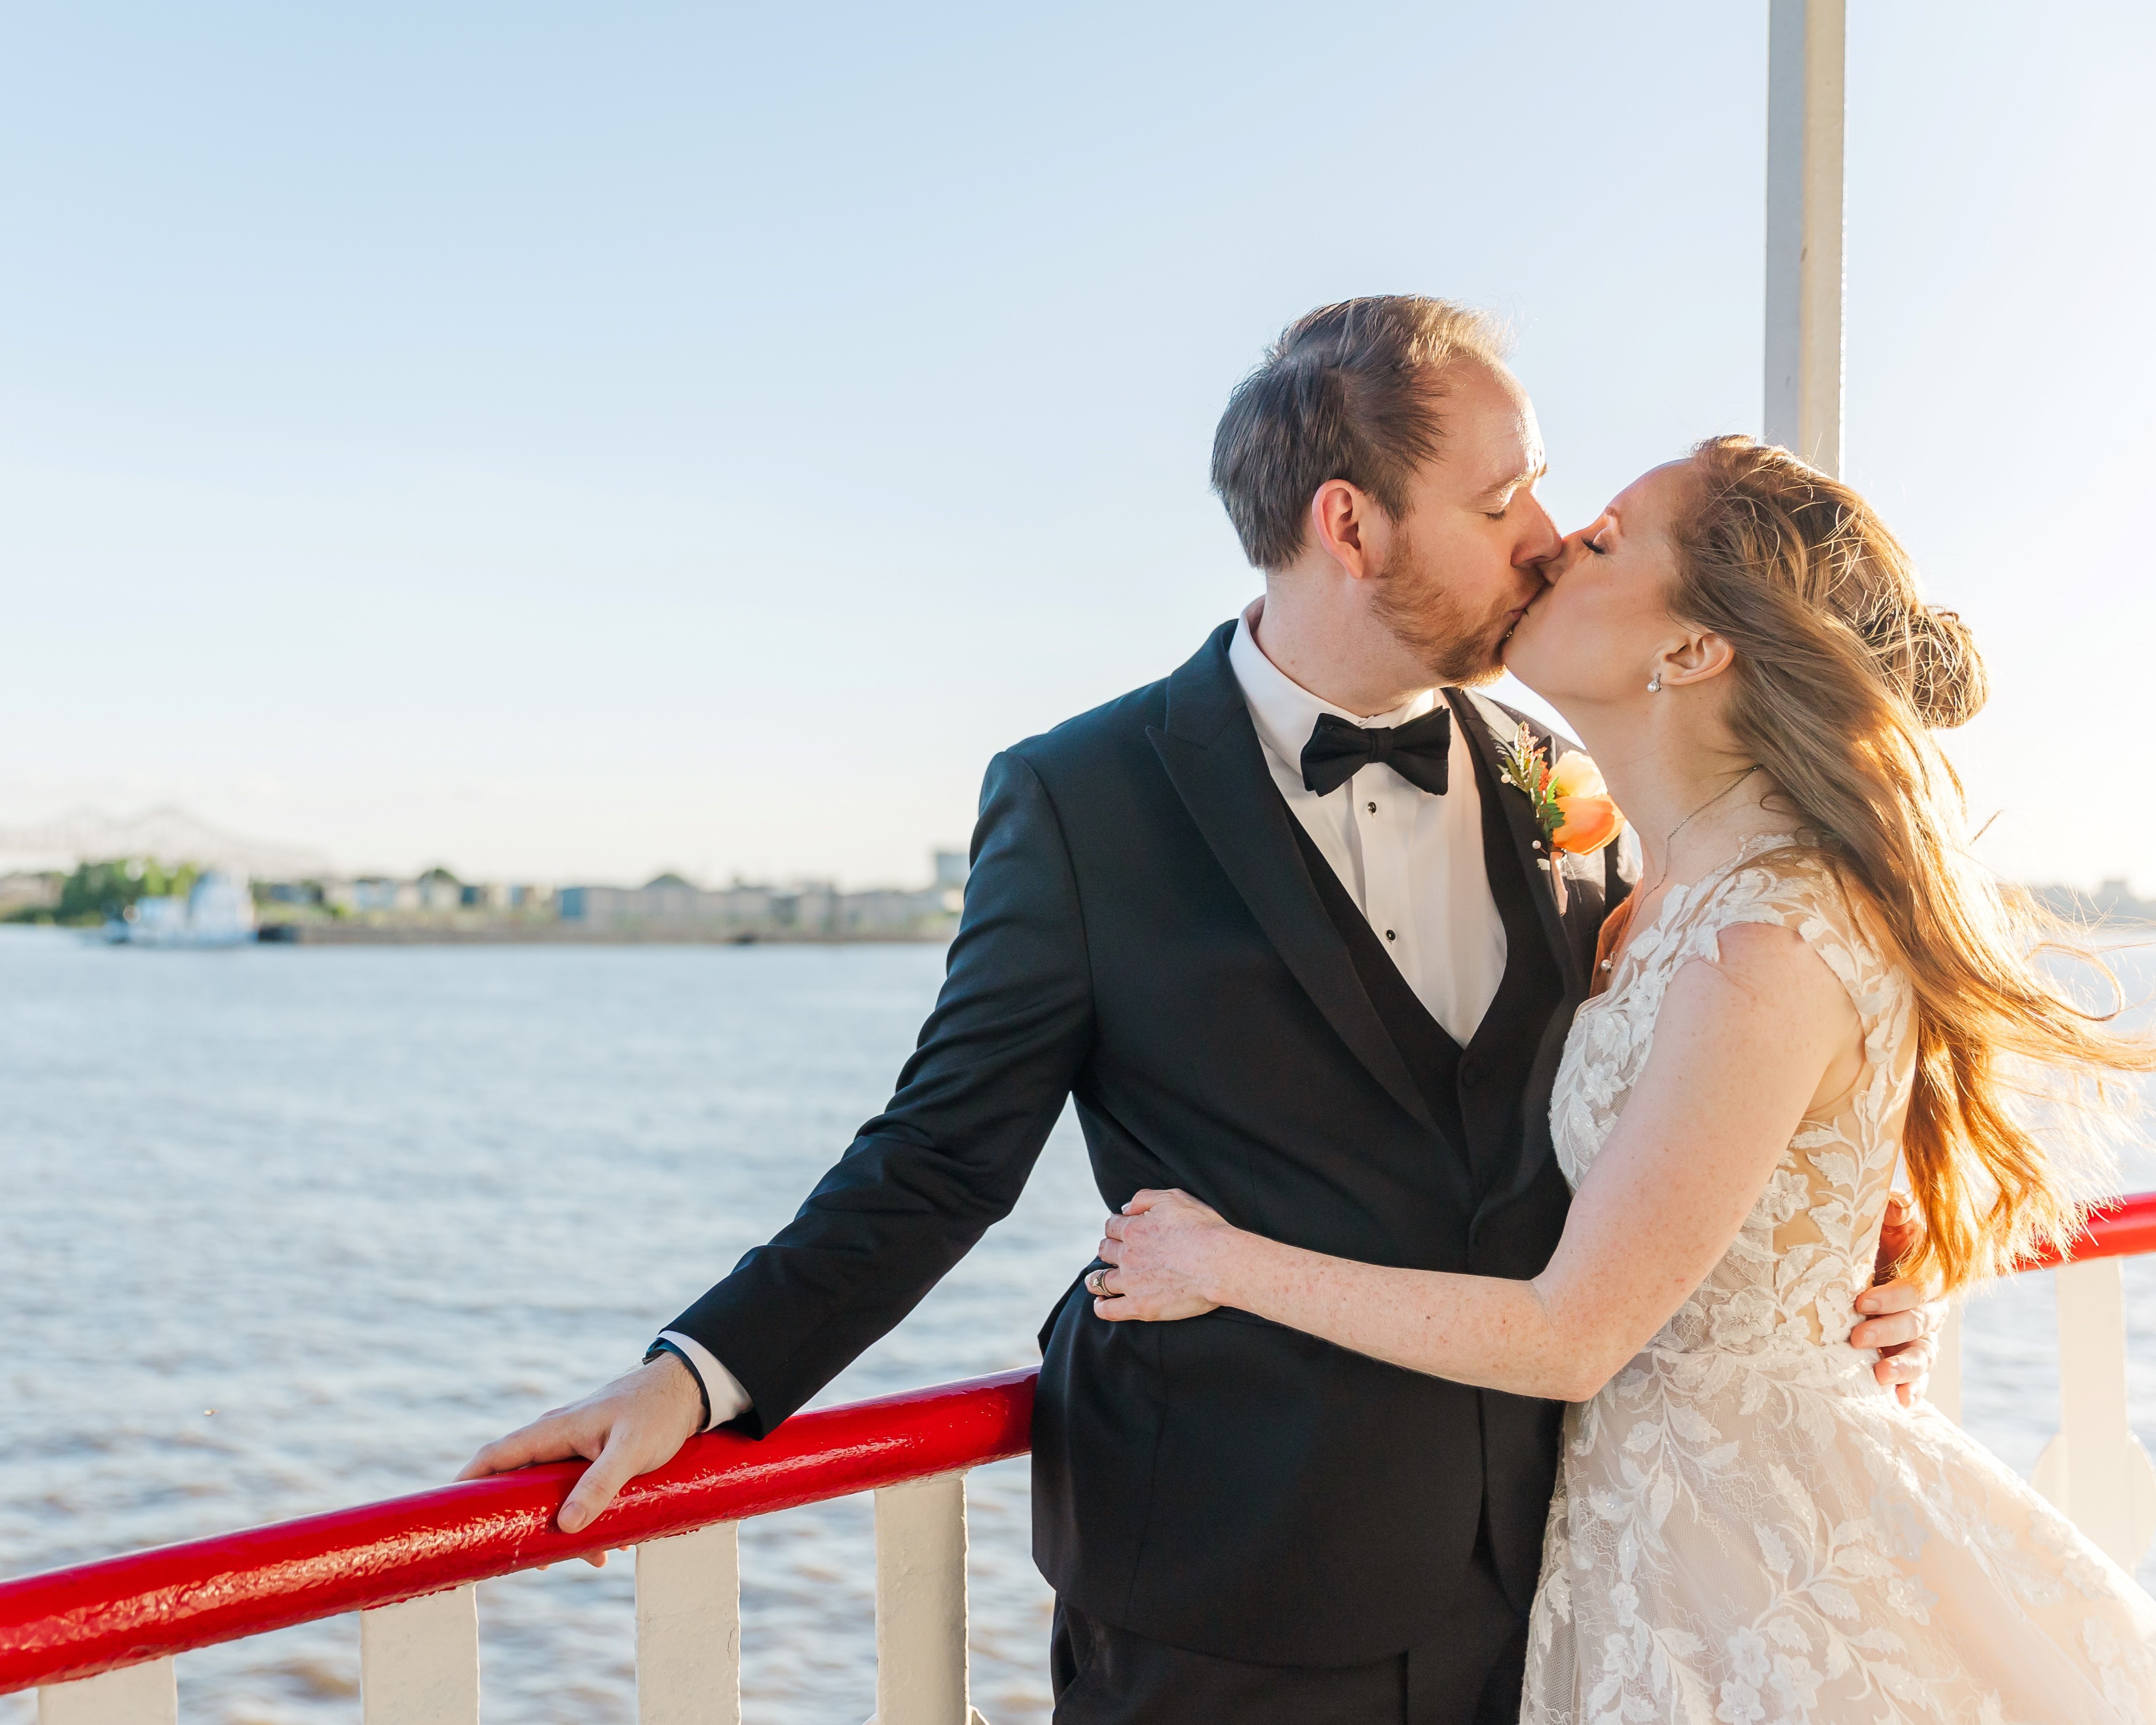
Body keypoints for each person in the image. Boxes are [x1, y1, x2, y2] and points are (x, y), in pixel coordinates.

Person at [459, 299, 1938, 1725]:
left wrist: (1862, 1269)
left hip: (1546, 1578)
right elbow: (939, 1158)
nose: (1546, 537)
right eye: (1503, 502)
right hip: (1223, 1589)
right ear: (1348, 524)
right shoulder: (1081, 799)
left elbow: (1728, 1055)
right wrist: (694, 1374)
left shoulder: (1572, 777)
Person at [1096, 434, 2156, 1721]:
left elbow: (1579, 1331)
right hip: (1627, 1541)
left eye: (1602, 539)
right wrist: (1874, 1245)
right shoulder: (1651, 886)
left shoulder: (1768, 937)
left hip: (1753, 1561)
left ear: (1693, 649)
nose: (1550, 544)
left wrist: (1220, 1262)